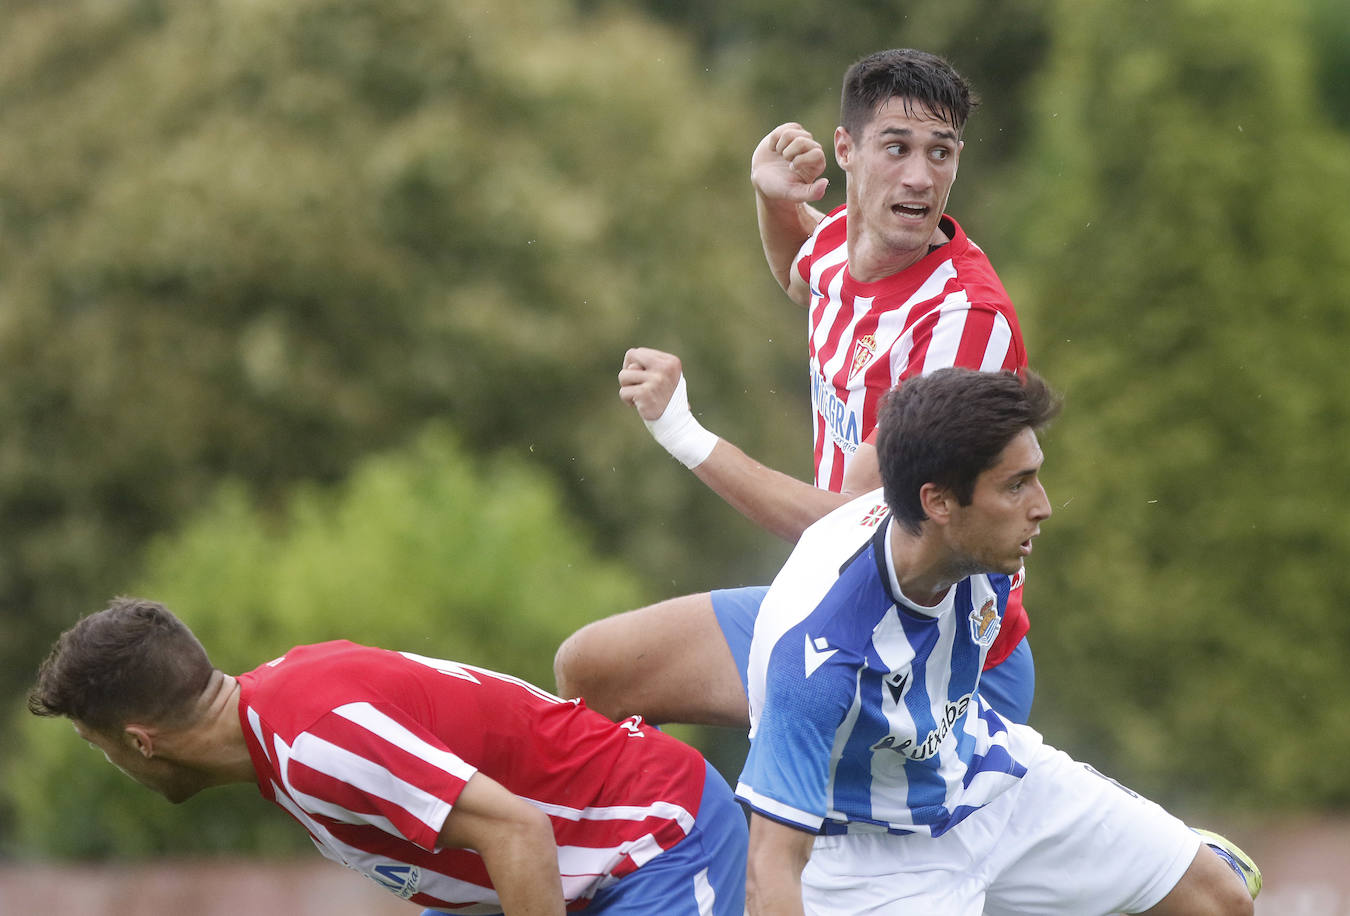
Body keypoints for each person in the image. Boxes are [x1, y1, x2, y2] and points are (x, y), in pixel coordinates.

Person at [556, 48, 1036, 728]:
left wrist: (682, 433)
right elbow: (800, 272)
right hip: (836, 606)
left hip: (938, 656)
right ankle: (681, 831)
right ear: (845, 147)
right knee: (593, 671)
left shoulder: (963, 323)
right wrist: (771, 196)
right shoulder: (846, 241)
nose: (920, 177)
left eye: (941, 153)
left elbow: (848, 528)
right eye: (896, 148)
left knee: (799, 824)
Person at [737, 367, 1260, 915]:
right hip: (871, 859)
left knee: (1219, 900)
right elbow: (768, 870)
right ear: (938, 503)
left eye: (1035, 476)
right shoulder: (818, 653)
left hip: (989, 773)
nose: (1043, 506)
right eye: (1015, 485)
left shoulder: (977, 544)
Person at [27, 599, 747, 916]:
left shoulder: (315, 743)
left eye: (99, 748)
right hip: (583, 871)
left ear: (138, 740)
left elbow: (516, 831)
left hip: (657, 839)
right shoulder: (276, 725)